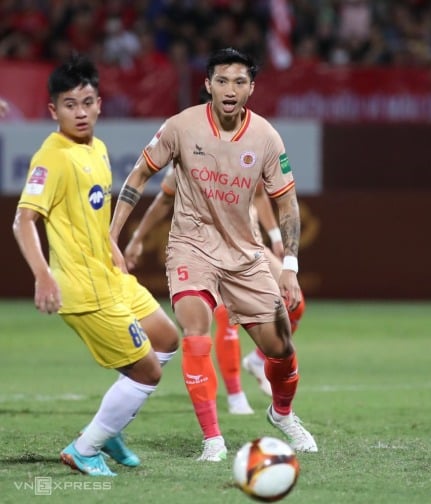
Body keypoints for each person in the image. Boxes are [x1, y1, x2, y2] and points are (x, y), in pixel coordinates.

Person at [109, 47, 317, 461]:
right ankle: (213, 439)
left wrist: (289, 266)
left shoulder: (266, 137)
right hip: (192, 248)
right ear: (207, 84)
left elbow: (286, 202)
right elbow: (140, 176)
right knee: (196, 334)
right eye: (222, 80)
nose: (230, 89)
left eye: (240, 81)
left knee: (281, 349)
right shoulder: (181, 127)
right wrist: (114, 239)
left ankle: (282, 413)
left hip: (246, 256)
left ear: (252, 89)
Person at [12, 55, 179, 476]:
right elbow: (23, 220)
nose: (80, 112)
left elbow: (91, 211)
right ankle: (86, 447)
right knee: (148, 373)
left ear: (100, 103)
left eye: (87, 102)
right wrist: (43, 276)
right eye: (70, 104)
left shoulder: (99, 149)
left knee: (167, 337)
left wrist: (111, 243)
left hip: (108, 274)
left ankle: (113, 423)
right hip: (83, 290)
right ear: (53, 111)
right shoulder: (53, 158)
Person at [123, 168, 307, 412]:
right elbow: (164, 198)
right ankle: (235, 395)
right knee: (225, 316)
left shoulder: (251, 144)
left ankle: (257, 360)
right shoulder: (191, 148)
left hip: (250, 246)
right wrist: (137, 237)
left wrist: (274, 235)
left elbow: (260, 194)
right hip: (209, 250)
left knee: (295, 303)